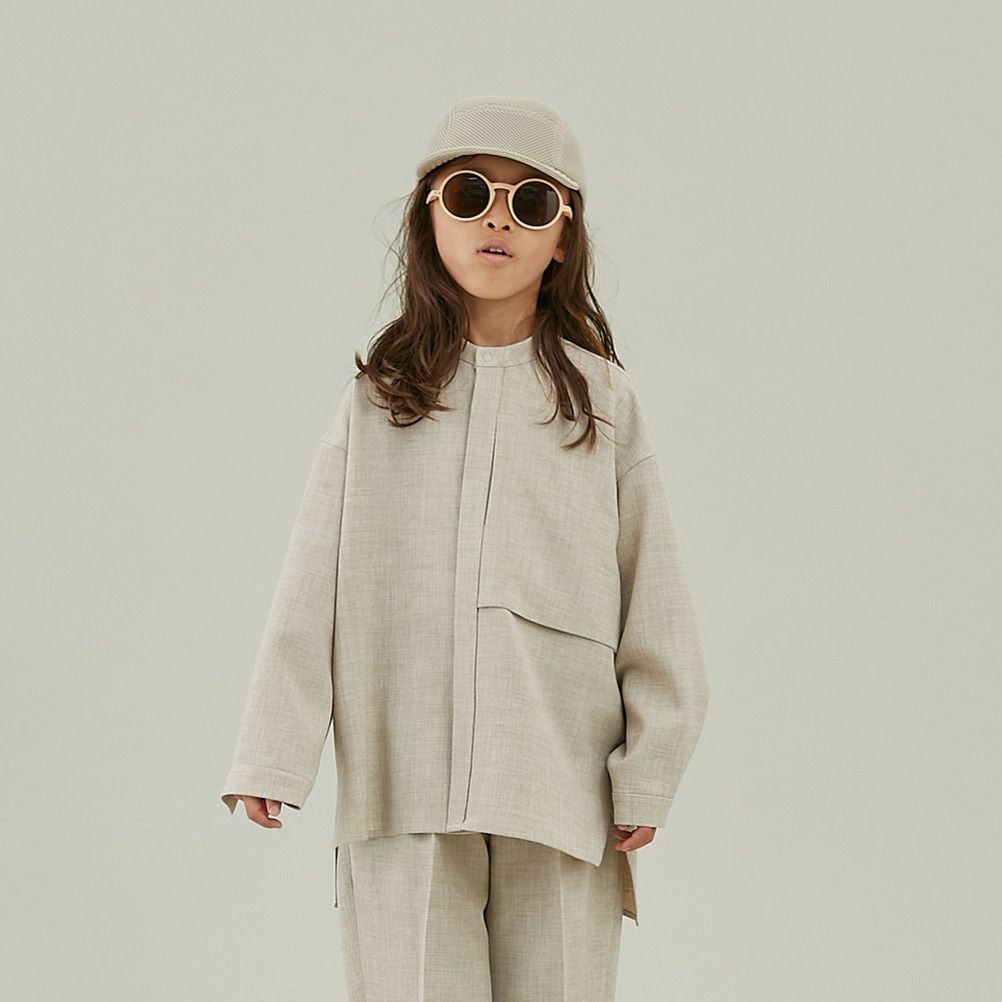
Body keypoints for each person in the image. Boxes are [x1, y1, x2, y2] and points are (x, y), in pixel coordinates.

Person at [219, 94, 710, 1002]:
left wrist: (647, 771)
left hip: (558, 781)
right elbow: (311, 587)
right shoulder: (378, 401)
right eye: (471, 193)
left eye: (531, 202)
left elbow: (656, 601)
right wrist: (273, 754)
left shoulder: (603, 405)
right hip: (400, 778)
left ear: (562, 236)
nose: (498, 219)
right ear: (429, 218)